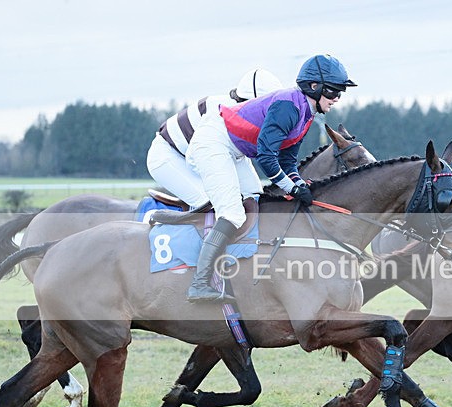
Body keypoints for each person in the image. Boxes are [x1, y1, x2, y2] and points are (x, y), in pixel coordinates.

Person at [185, 54, 356, 302]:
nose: (337, 98)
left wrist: (298, 184)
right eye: (333, 92)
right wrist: (291, 188)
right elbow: (267, 158)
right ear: (314, 87)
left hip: (235, 150)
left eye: (340, 92)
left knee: (256, 199)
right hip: (213, 143)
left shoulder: (306, 114)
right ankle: (199, 283)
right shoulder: (288, 106)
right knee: (232, 213)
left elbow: (287, 162)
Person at [146, 68, 283, 210]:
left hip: (210, 154)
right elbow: (196, 160)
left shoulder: (243, 112)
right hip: (168, 157)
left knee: (255, 195)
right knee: (216, 202)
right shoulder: (219, 114)